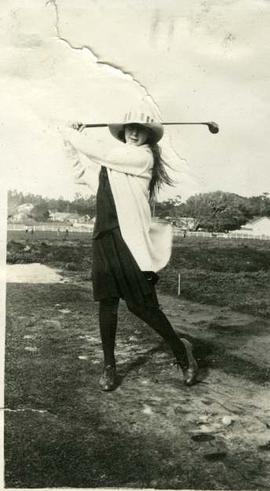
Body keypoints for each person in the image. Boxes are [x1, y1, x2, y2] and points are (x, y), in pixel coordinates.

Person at [62, 109, 198, 391]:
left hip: (131, 244)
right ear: (122, 131)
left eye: (141, 129)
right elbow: (78, 171)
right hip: (104, 239)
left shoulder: (142, 157)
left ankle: (182, 352)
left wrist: (69, 132)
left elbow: (102, 153)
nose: (135, 133)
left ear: (149, 135)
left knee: (141, 305)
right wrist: (69, 142)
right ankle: (109, 366)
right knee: (107, 303)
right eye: (130, 128)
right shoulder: (108, 168)